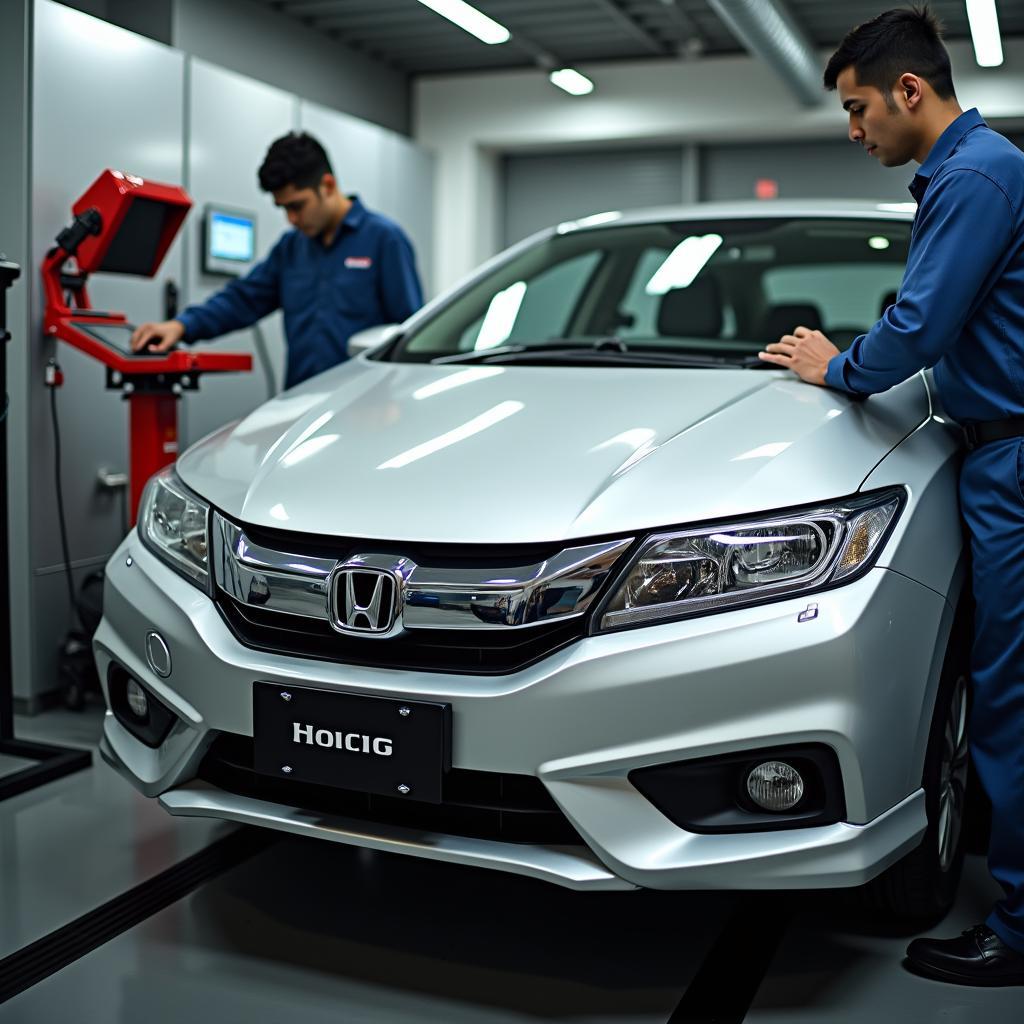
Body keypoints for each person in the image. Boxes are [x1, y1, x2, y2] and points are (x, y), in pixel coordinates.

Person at [758, 6, 1024, 987]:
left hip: (1009, 457)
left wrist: (837, 367)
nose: (852, 127)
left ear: (909, 91)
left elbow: (914, 330)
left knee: (1007, 691)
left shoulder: (974, 174)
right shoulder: (971, 173)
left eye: (858, 106)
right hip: (993, 449)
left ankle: (1021, 927)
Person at [130, 131, 423, 389]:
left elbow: (409, 335)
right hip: (301, 404)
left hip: (365, 409)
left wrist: (394, 401)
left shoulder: (385, 240)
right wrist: (181, 326)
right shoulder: (291, 248)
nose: (291, 219)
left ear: (328, 186)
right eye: (283, 208)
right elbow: (242, 299)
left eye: (298, 206)